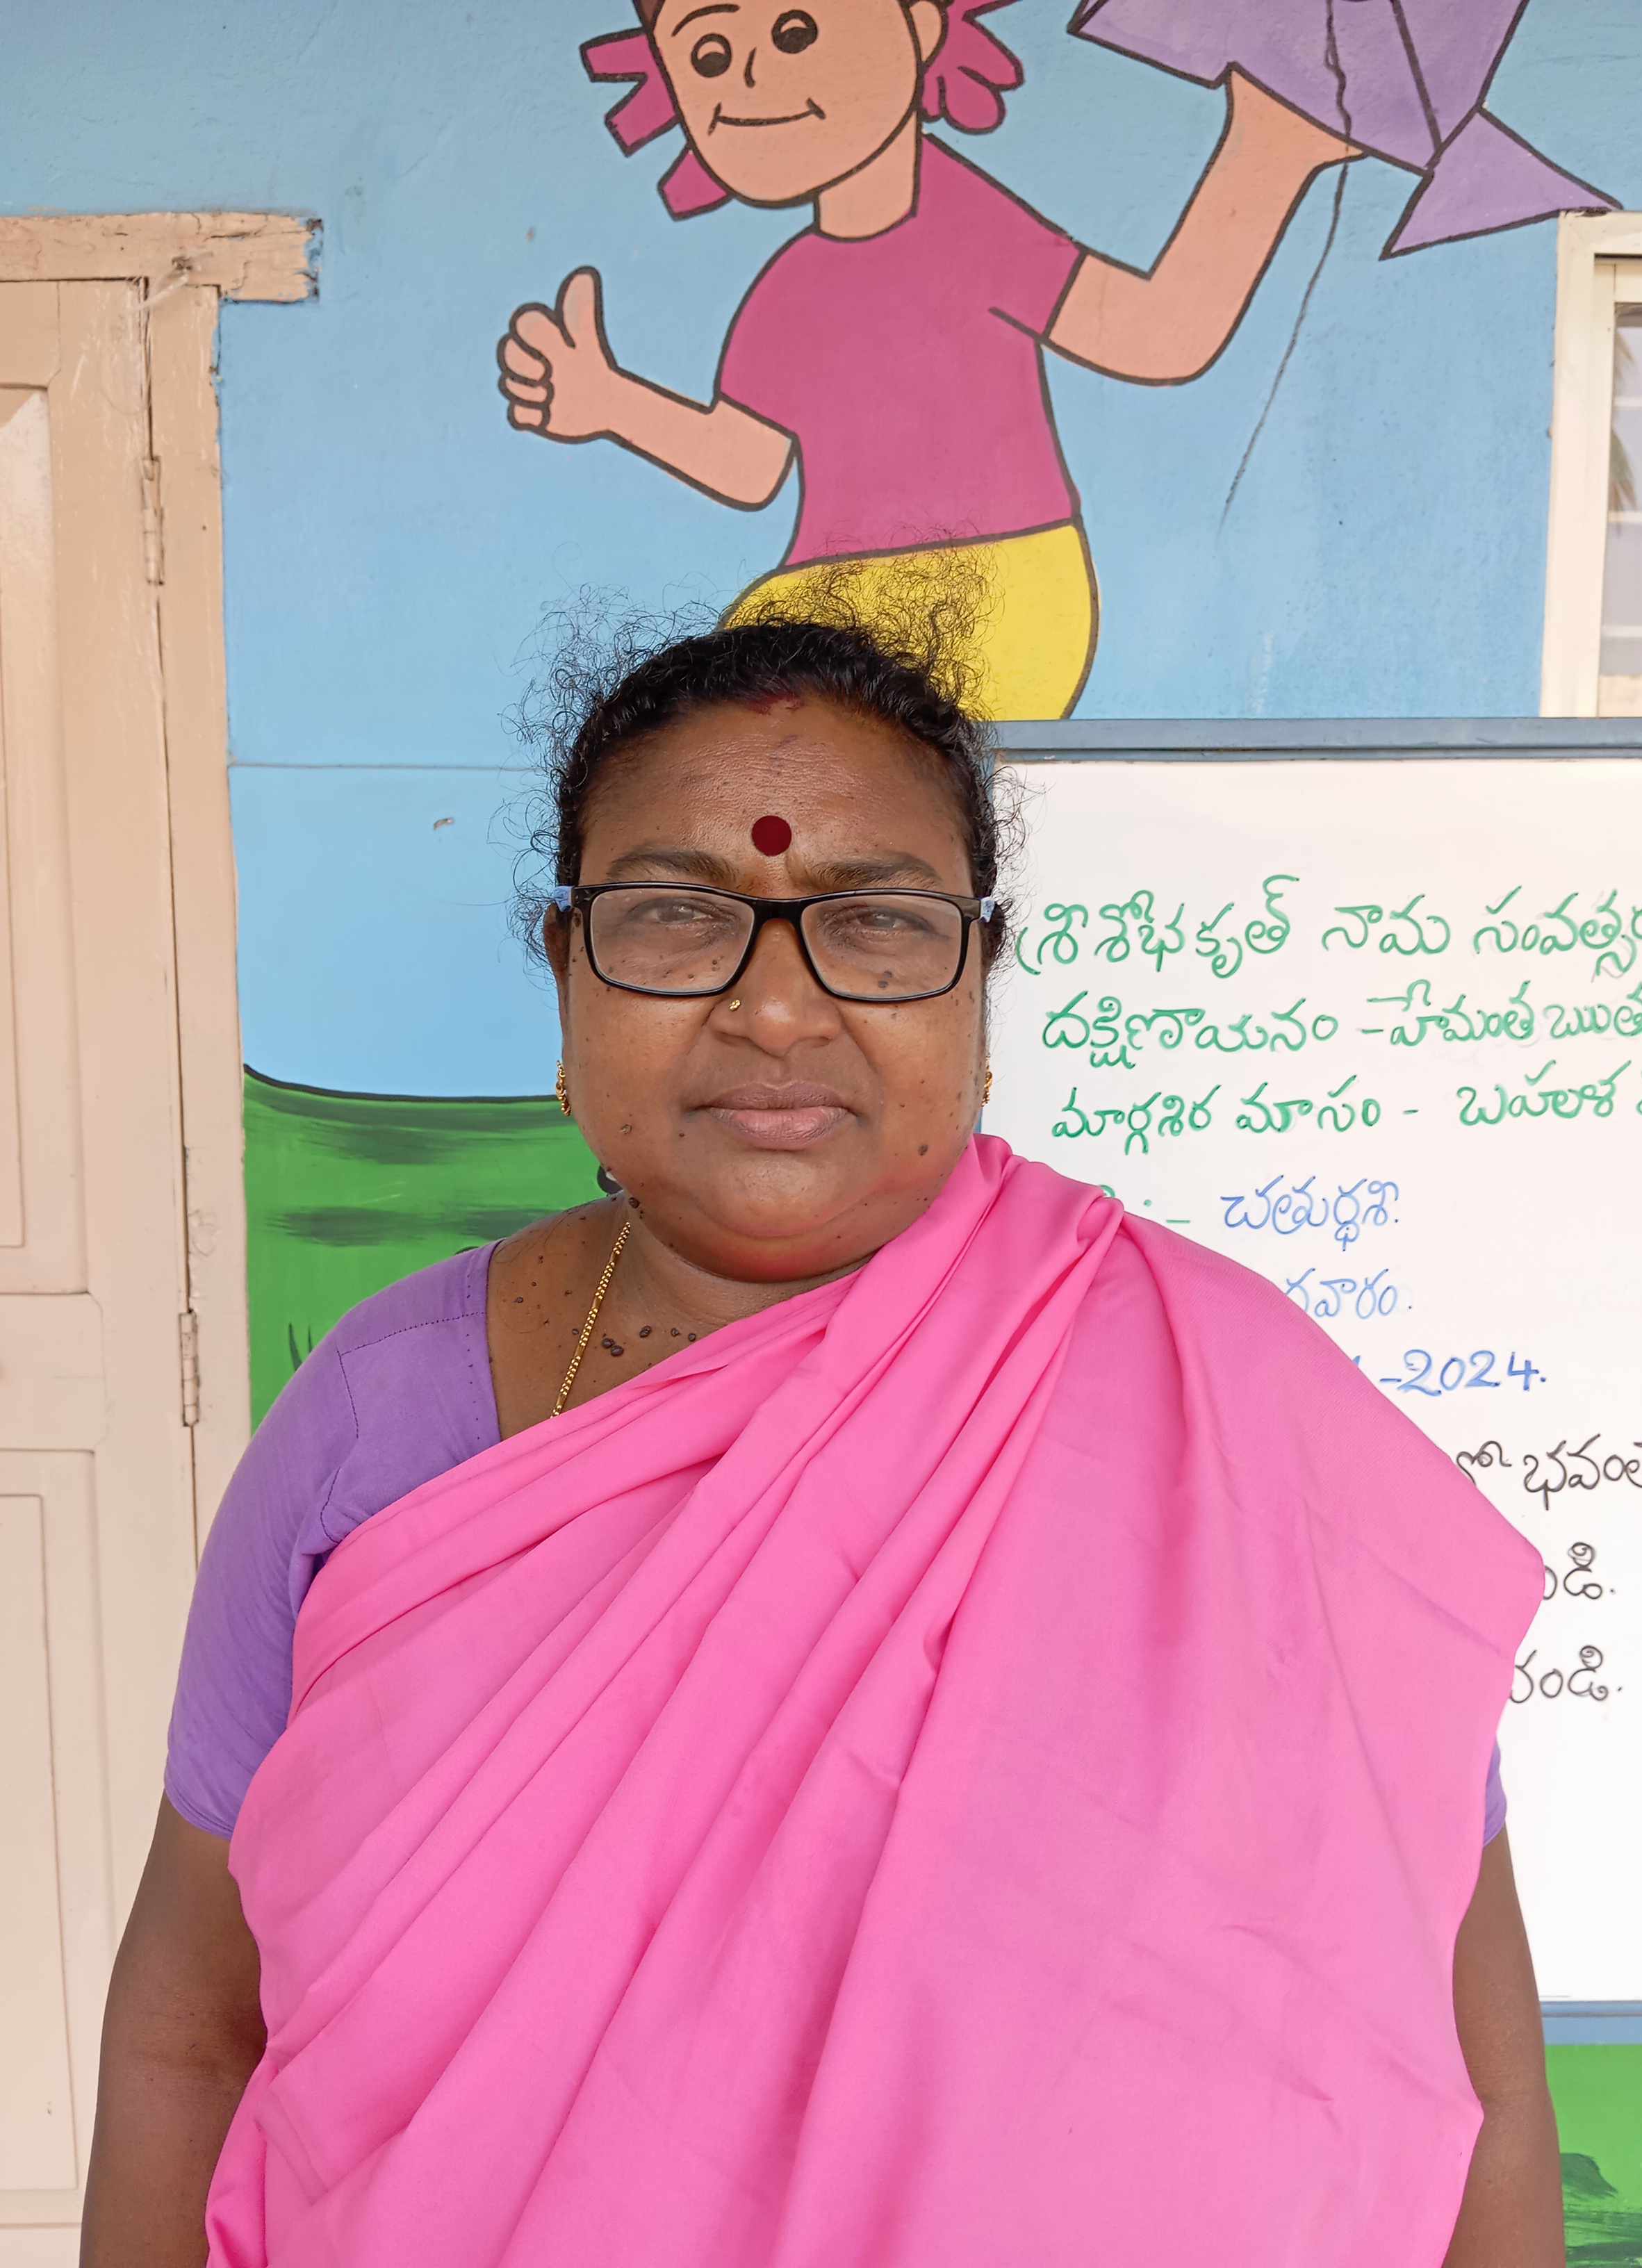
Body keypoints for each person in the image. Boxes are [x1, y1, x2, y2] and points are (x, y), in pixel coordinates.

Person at [83, 607, 1562, 2266]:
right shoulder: (384, 1415)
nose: (775, 1011)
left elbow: (1471, 2086)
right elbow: (187, 2037)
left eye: (873, 922)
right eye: (673, 915)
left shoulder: (1232, 1417)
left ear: (979, 977)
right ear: (565, 971)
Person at [495, 0, 1358, 718]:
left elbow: (1152, 331)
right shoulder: (784, 293)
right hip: (833, 594)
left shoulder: (970, 227)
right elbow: (748, 465)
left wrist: (1268, 151)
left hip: (1003, 578)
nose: (749, 79)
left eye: (795, 32)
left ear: (918, 27)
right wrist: (611, 404)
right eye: (710, 55)